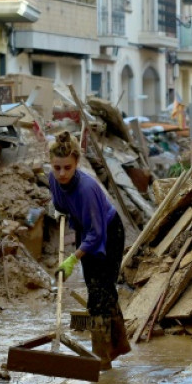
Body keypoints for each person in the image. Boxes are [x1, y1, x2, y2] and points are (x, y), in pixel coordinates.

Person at [48, 131, 131, 369]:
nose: (62, 173)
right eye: (57, 167)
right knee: (99, 290)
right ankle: (119, 345)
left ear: (76, 164)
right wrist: (59, 209)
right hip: (86, 230)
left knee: (99, 296)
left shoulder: (86, 188)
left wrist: (73, 259)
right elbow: (59, 202)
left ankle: (101, 361)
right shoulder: (53, 179)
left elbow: (97, 234)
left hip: (108, 232)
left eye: (67, 168)